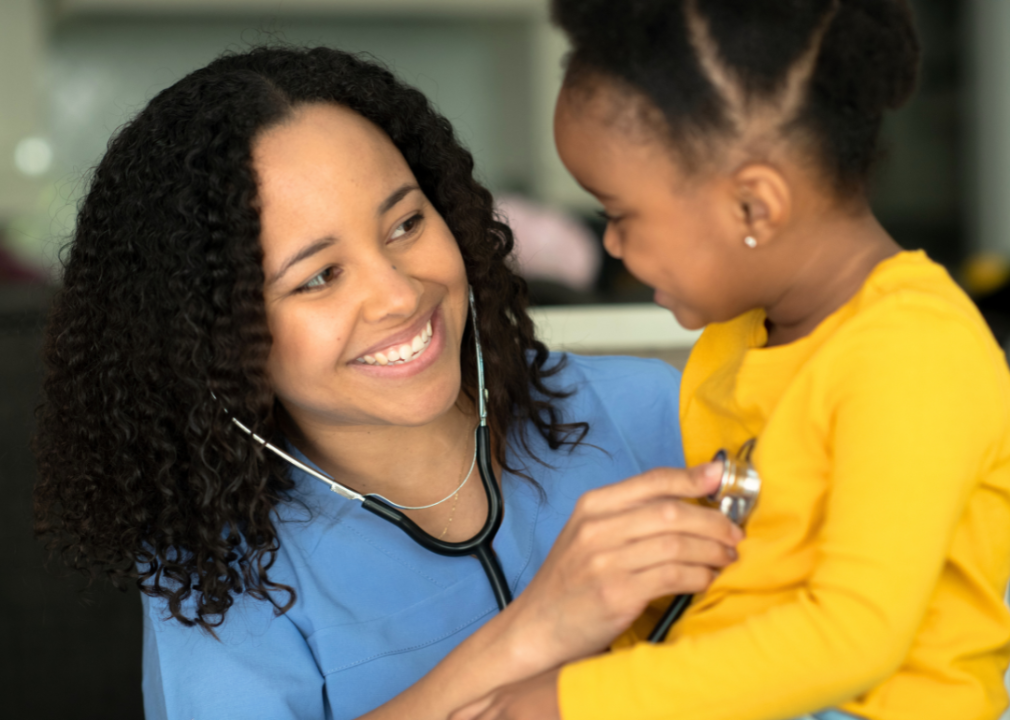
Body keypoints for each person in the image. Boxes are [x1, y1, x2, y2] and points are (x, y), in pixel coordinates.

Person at [31, 46, 743, 720]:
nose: (399, 295)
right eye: (318, 277)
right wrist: (532, 635)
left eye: (405, 224)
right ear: (212, 341)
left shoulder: (654, 413)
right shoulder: (218, 568)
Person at [453, 1, 1010, 719]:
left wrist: (576, 699)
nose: (613, 247)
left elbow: (852, 636)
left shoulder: (914, 355)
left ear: (754, 207)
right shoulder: (743, 337)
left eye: (620, 215)